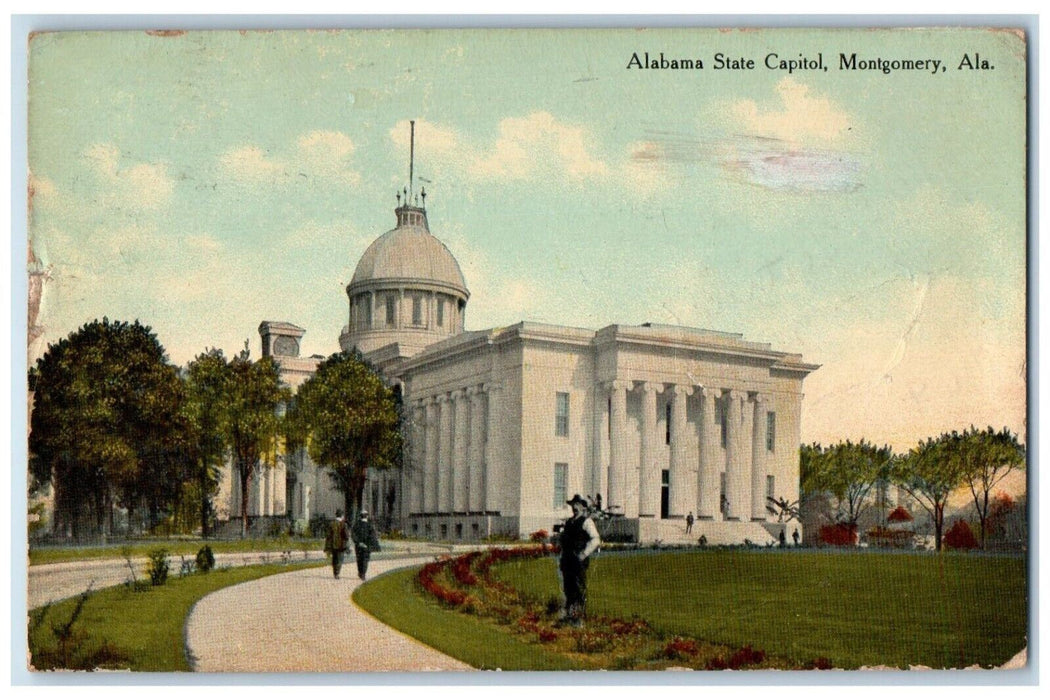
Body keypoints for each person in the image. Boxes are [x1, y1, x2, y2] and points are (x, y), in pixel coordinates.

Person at [559, 494, 601, 627]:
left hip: (578, 560)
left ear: (583, 507)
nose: (574, 507)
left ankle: (579, 618)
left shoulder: (586, 522)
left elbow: (595, 539)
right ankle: (569, 615)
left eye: (577, 504)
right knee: (568, 588)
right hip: (567, 560)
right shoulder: (569, 522)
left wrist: (584, 553)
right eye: (573, 505)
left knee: (579, 588)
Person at [351, 508, 381, 580]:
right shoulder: (370, 525)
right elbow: (372, 536)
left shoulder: (356, 524)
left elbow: (353, 534)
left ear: (360, 516)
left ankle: (360, 572)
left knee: (359, 559)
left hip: (358, 545)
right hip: (367, 546)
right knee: (365, 560)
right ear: (367, 516)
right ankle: (363, 573)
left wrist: (358, 542)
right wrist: (370, 544)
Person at [323, 509, 349, 579]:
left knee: (334, 559)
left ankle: (335, 572)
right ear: (342, 516)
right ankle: (337, 573)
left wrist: (327, 546)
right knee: (340, 559)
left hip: (333, 544)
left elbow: (328, 535)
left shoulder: (331, 524)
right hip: (341, 545)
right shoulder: (344, 524)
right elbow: (346, 536)